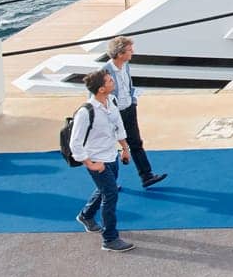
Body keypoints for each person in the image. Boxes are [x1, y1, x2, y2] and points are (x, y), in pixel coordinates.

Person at [71, 67, 135, 252]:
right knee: (111, 194)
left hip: (111, 155)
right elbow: (75, 143)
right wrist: (90, 164)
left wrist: (124, 148)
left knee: (106, 189)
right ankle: (110, 239)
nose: (113, 82)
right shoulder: (85, 112)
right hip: (97, 160)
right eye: (109, 81)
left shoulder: (111, 101)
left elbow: (118, 125)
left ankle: (86, 215)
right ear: (101, 89)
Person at [105, 36, 167, 190]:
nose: (133, 52)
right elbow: (97, 95)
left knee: (136, 143)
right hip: (114, 114)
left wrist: (133, 100)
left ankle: (146, 176)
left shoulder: (125, 66)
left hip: (129, 110)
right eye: (129, 50)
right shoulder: (105, 72)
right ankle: (109, 183)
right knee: (109, 147)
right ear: (120, 54)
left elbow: (128, 86)